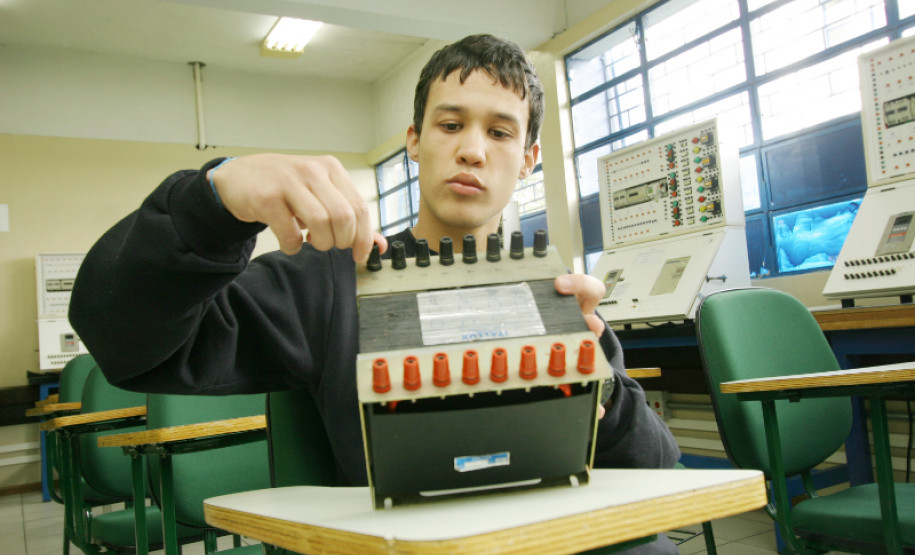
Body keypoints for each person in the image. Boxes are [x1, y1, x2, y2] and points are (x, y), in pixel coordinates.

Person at [70, 34, 679, 553]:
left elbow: (653, 466)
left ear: (528, 159)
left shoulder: (553, 290)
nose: (472, 148)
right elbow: (125, 339)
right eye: (450, 124)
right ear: (414, 139)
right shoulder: (328, 280)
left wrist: (600, 386)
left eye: (500, 131)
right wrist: (214, 201)